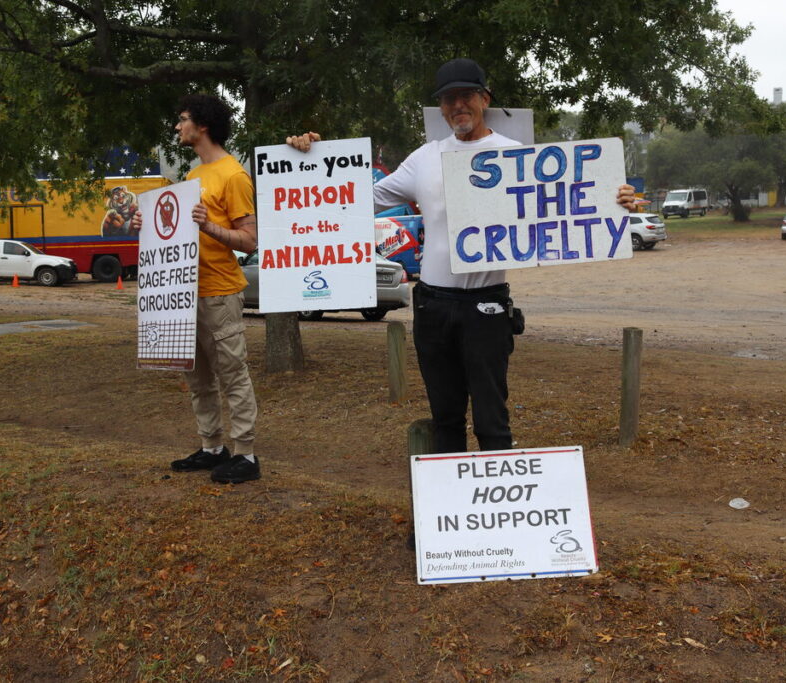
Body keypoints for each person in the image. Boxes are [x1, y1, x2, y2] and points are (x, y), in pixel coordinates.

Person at [289, 58, 636, 454]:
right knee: (445, 418)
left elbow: (570, 200)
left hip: (487, 305)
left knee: (492, 419)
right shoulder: (424, 158)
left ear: (484, 99)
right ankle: (451, 506)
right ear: (441, 108)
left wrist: (616, 198)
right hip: (433, 305)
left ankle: (497, 507)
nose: (458, 106)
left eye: (466, 96)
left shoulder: (516, 156)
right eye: (448, 99)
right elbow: (356, 198)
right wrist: (311, 161)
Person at [142, 94, 261, 483]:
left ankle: (245, 455)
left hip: (220, 292)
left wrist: (209, 226)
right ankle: (212, 447)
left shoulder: (233, 175)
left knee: (232, 374)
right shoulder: (193, 177)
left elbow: (249, 240)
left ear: (203, 125)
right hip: (184, 294)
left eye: (183, 119)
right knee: (196, 376)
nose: (178, 127)